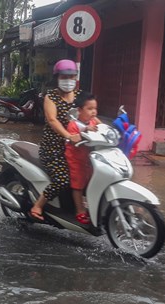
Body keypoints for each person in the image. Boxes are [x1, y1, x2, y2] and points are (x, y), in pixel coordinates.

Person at [29, 59, 81, 221]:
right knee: (62, 179)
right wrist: (68, 136)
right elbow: (52, 120)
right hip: (54, 150)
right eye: (64, 77)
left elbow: (91, 113)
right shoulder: (51, 97)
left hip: (77, 148)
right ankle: (38, 205)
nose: (68, 80)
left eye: (71, 76)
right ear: (57, 78)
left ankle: (79, 209)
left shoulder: (80, 96)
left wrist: (106, 128)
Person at [66, 92, 98, 224]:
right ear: (79, 110)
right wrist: (86, 130)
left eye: (95, 108)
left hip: (89, 160)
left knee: (92, 181)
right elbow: (74, 139)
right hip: (75, 160)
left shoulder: (93, 121)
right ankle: (80, 210)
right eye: (89, 109)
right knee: (78, 185)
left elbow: (101, 129)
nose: (93, 112)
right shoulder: (73, 124)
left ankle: (91, 207)